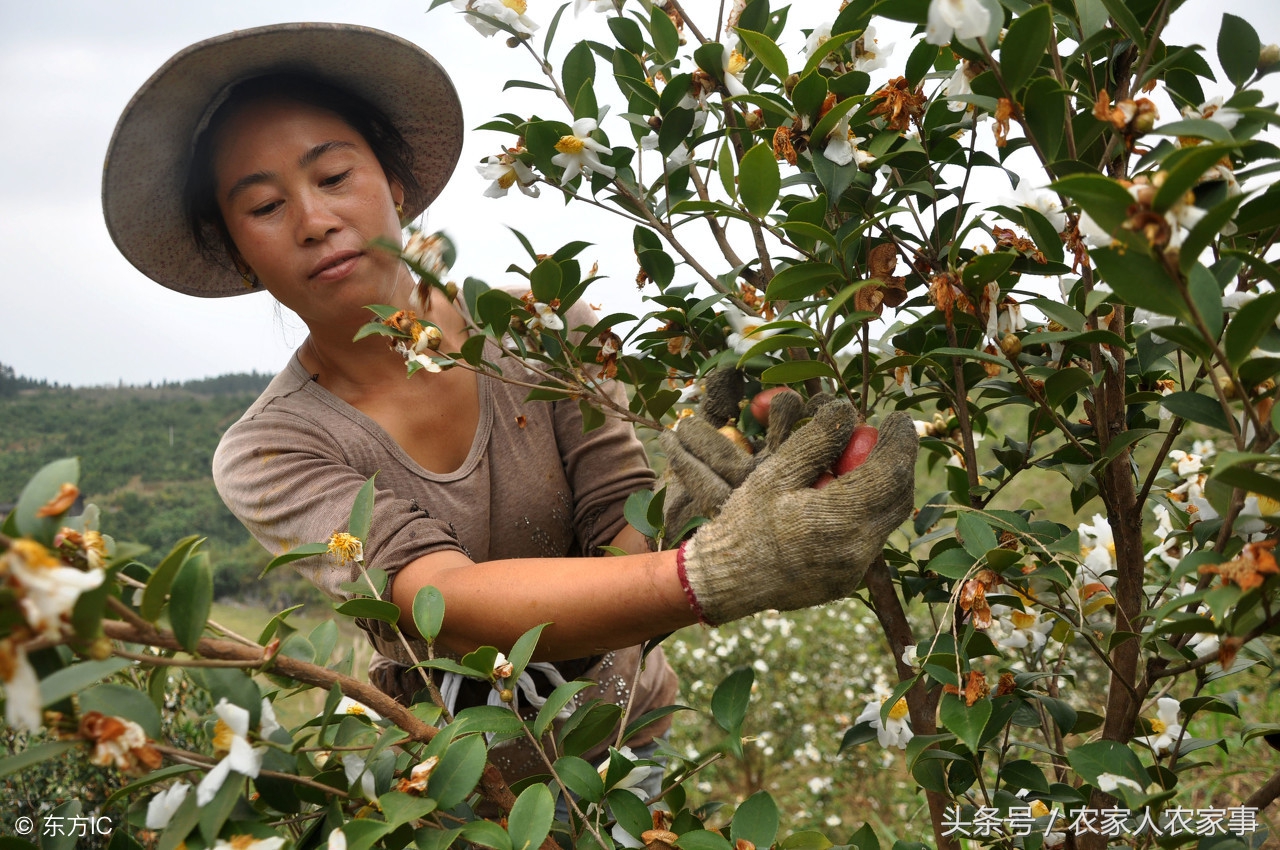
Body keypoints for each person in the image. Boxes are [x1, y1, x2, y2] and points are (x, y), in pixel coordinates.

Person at [101, 22, 918, 789]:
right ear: (238, 253)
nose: (315, 221)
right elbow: (444, 605)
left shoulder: (541, 329)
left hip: (630, 747)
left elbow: (618, 533)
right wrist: (711, 570)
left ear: (395, 183)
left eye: (334, 175)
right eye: (265, 206)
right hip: (461, 789)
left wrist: (698, 512)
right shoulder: (272, 449)